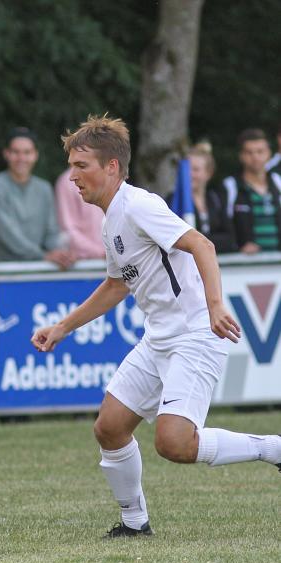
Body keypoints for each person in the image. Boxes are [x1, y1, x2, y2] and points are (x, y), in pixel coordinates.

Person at [32, 115, 281, 538]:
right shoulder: (111, 218)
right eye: (72, 166)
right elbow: (116, 285)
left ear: (112, 167)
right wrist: (63, 327)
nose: (73, 176)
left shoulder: (139, 205)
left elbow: (202, 244)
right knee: (109, 427)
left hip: (196, 333)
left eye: (81, 166)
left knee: (174, 443)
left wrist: (215, 304)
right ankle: (134, 523)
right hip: (159, 336)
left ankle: (271, 448)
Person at [0, 127, 75, 269]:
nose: (21, 158)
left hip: (37, 269)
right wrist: (43, 255)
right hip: (1, 271)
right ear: (6, 154)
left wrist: (60, 254)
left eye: (27, 152)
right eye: (15, 152)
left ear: (35, 155)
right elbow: (7, 232)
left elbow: (52, 231)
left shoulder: (44, 188)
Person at [164, 142, 236, 253]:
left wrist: (199, 243)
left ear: (209, 173)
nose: (190, 174)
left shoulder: (216, 199)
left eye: (195, 170)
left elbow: (230, 238)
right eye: (187, 169)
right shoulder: (173, 200)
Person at [222, 129, 281, 255]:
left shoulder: (278, 182)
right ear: (241, 155)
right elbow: (223, 226)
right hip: (248, 267)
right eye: (249, 152)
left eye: (260, 151)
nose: (255, 157)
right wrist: (238, 247)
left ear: (269, 153)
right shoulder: (230, 186)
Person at [54, 168, 105, 259]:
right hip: (82, 262)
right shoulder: (67, 181)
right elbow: (68, 230)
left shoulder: (107, 176)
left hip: (111, 260)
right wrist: (101, 252)